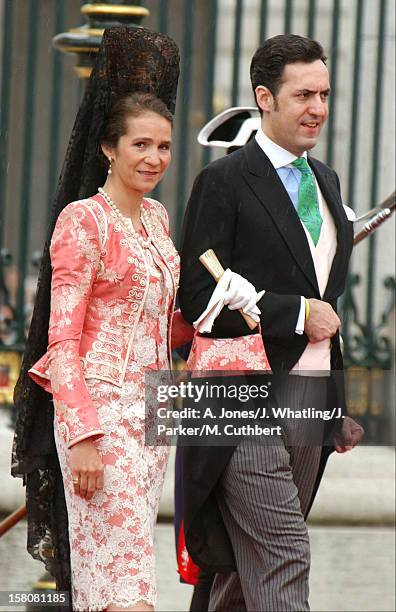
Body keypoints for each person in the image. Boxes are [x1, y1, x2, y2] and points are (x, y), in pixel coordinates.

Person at [179, 34, 364, 611]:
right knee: (284, 552)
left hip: (310, 397)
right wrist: (297, 313)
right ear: (265, 97)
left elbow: (325, 291)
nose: (318, 108)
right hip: (237, 397)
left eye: (325, 94)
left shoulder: (327, 181)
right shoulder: (223, 181)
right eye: (303, 94)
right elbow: (197, 295)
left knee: (244, 567)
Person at [11, 27, 193, 612]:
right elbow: (61, 340)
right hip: (101, 413)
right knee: (126, 585)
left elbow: (162, 323)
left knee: (120, 575)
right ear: (108, 148)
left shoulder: (159, 219)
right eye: (141, 145)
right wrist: (84, 435)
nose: (154, 159)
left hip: (155, 412)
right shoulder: (82, 222)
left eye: (163, 147)